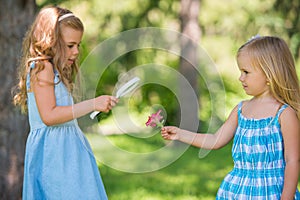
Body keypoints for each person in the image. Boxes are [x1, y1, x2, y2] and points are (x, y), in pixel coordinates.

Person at [161, 36, 300, 199]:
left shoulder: (284, 113)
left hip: (270, 192)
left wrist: (286, 197)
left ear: (269, 74)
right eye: (241, 72)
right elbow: (214, 140)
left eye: (246, 72)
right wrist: (180, 134)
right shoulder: (241, 110)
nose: (240, 78)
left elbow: (293, 161)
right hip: (237, 190)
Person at [13, 5, 118, 199]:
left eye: (78, 45)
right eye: (70, 45)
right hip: (54, 155)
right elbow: (49, 116)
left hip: (69, 152)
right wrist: (92, 104)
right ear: (51, 41)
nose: (76, 51)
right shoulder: (42, 67)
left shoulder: (56, 71)